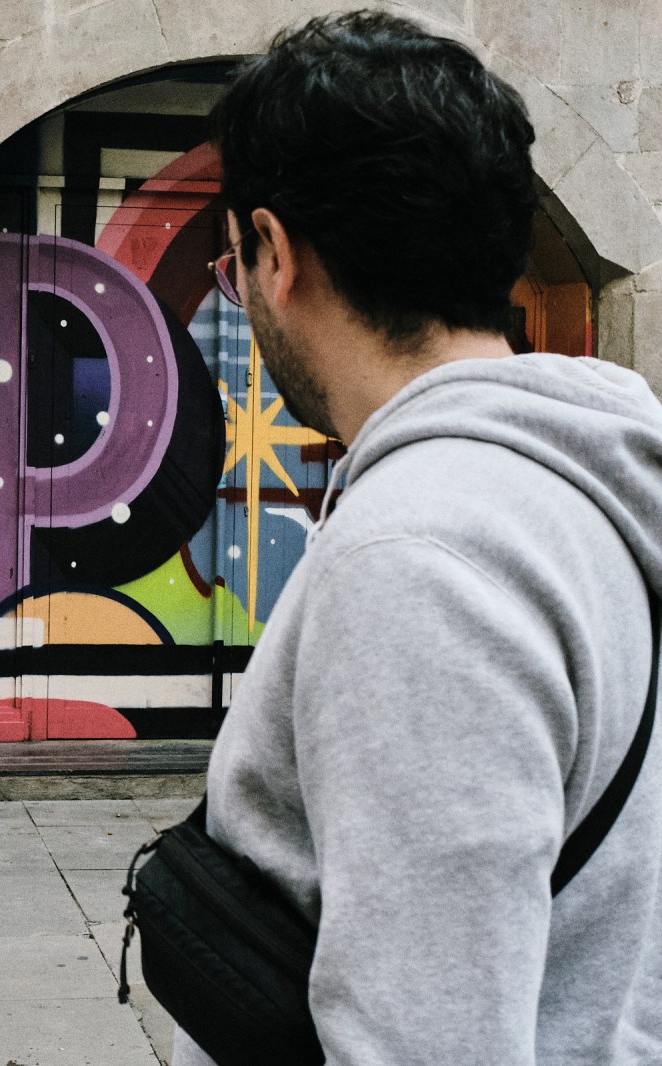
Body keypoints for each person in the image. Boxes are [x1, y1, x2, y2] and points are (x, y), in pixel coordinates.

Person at [179, 11, 662, 1065]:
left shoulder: (417, 558)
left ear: (272, 250)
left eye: (233, 268)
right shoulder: (596, 488)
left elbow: (426, 1034)